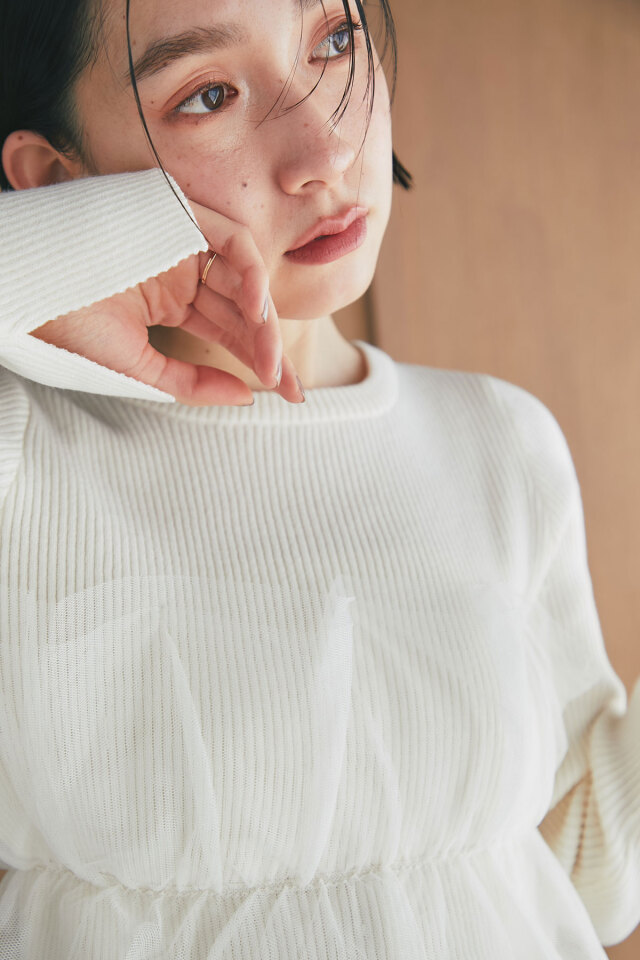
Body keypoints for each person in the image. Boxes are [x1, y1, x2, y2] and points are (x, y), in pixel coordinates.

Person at [0, 0, 638, 956]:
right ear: (58, 179)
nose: (325, 151)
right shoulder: (22, 452)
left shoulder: (501, 441)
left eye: (335, 41)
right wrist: (53, 251)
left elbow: (583, 874)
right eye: (208, 95)